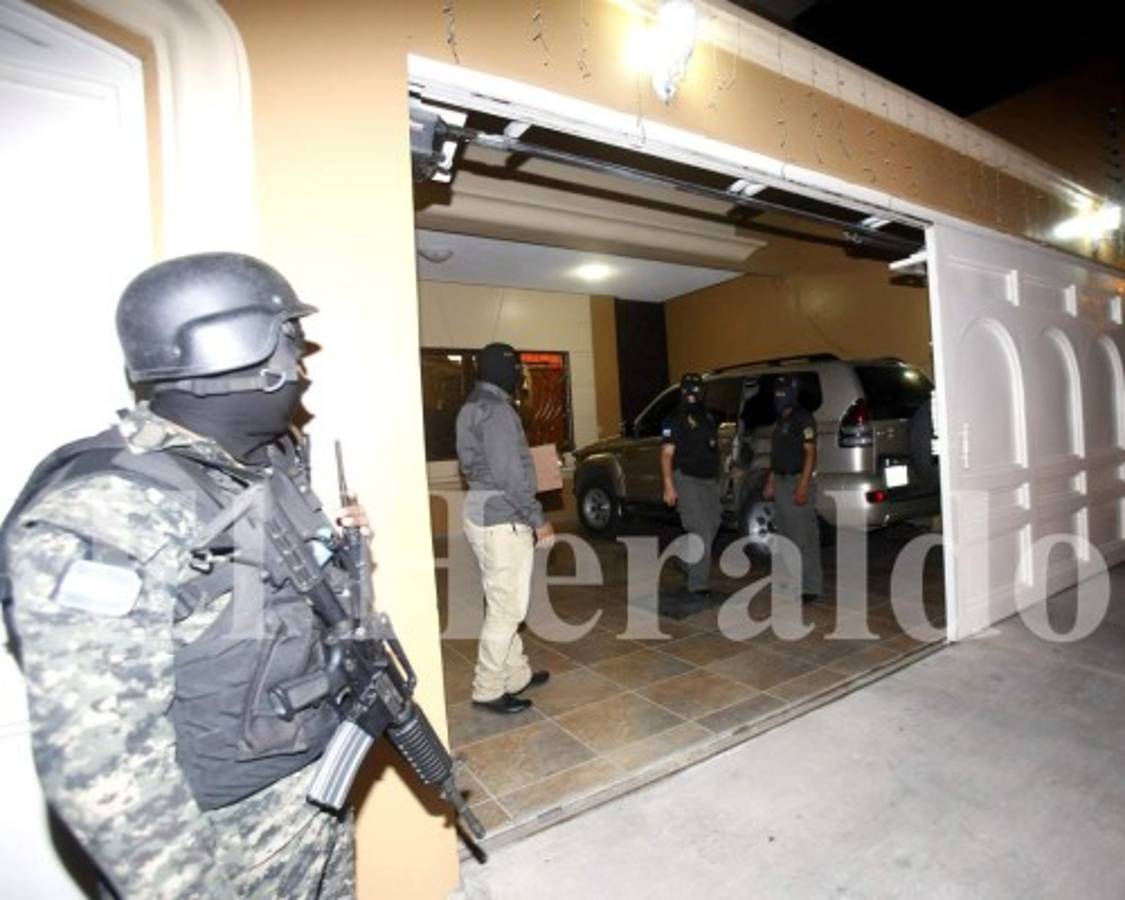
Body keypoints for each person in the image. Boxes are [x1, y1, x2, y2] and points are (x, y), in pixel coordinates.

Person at [0, 253, 360, 898]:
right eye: (289, 344)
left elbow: (272, 604)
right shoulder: (110, 508)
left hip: (309, 789)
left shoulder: (257, 468)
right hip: (225, 842)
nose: (301, 370)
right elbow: (105, 767)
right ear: (233, 349)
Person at [456, 342, 553, 715]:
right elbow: (510, 476)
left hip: (480, 512)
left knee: (501, 600)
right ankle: (488, 688)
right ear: (504, 370)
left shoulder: (472, 404)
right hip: (503, 517)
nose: (518, 376)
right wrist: (537, 518)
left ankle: (516, 675)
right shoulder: (497, 410)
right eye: (515, 369)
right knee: (507, 609)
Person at [660, 373, 722, 603]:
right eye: (687, 390)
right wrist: (669, 485)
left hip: (709, 480)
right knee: (701, 529)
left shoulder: (707, 416)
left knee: (713, 524)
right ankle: (698, 585)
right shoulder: (674, 418)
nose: (692, 395)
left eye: (696, 390)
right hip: (686, 479)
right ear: (682, 392)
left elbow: (711, 447)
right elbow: (666, 455)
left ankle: (685, 560)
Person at [763, 374, 823, 602]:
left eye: (783, 392)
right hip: (781, 482)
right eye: (776, 393)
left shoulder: (803, 418)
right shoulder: (781, 421)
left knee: (803, 537)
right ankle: (792, 582)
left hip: (797, 481)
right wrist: (770, 481)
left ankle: (811, 587)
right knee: (786, 536)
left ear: (792, 394)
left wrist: (803, 486)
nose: (778, 397)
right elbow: (777, 455)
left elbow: (810, 453)